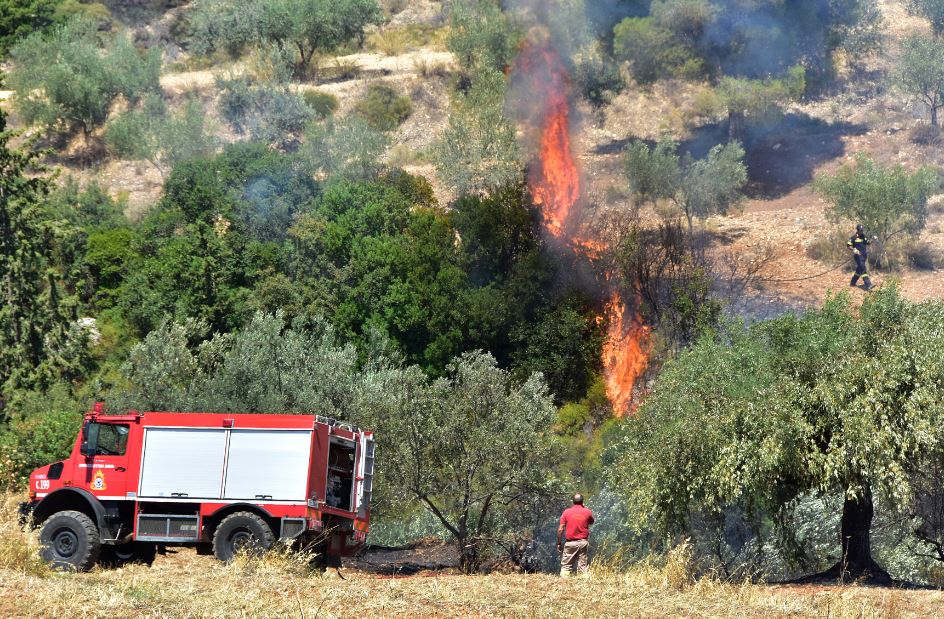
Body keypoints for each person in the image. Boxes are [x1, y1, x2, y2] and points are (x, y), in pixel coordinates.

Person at [557, 493, 594, 577]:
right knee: (582, 566)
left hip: (570, 543)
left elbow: (560, 529)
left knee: (566, 567)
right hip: (583, 543)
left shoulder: (566, 512)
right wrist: (583, 509)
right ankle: (584, 585)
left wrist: (559, 543)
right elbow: (591, 522)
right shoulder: (587, 511)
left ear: (573, 501)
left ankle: (565, 583)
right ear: (582, 501)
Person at [847, 224, 875, 290]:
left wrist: (873, 239)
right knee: (863, 269)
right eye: (860, 231)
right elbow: (848, 245)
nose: (861, 232)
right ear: (857, 230)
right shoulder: (853, 238)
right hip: (858, 256)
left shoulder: (863, 237)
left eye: (862, 231)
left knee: (859, 270)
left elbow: (868, 243)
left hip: (864, 256)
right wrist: (854, 249)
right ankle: (868, 284)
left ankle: (852, 283)